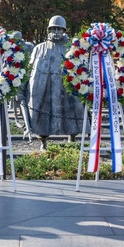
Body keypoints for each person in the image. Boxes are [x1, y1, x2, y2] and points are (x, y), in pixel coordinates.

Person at [26, 16, 84, 148]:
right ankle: (43, 141)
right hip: (45, 86)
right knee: (42, 113)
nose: (56, 32)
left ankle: (72, 137)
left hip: (65, 85)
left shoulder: (71, 48)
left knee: (71, 110)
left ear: (64, 31)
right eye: (53, 29)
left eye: (59, 29)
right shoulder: (39, 48)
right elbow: (30, 68)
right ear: (48, 30)